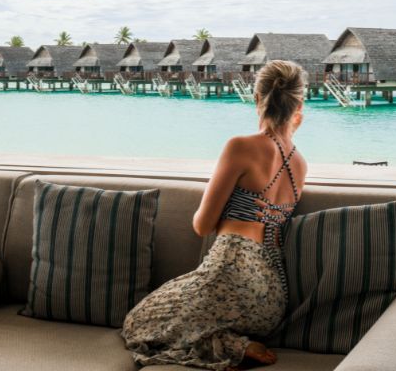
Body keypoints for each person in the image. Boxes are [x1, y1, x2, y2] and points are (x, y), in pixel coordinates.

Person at [121, 60, 308, 370]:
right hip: (272, 299)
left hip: (231, 275)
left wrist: (236, 210)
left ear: (256, 97)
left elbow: (203, 225)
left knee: (138, 322)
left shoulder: (241, 146)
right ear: (299, 104)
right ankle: (229, 340)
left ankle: (229, 346)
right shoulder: (300, 163)